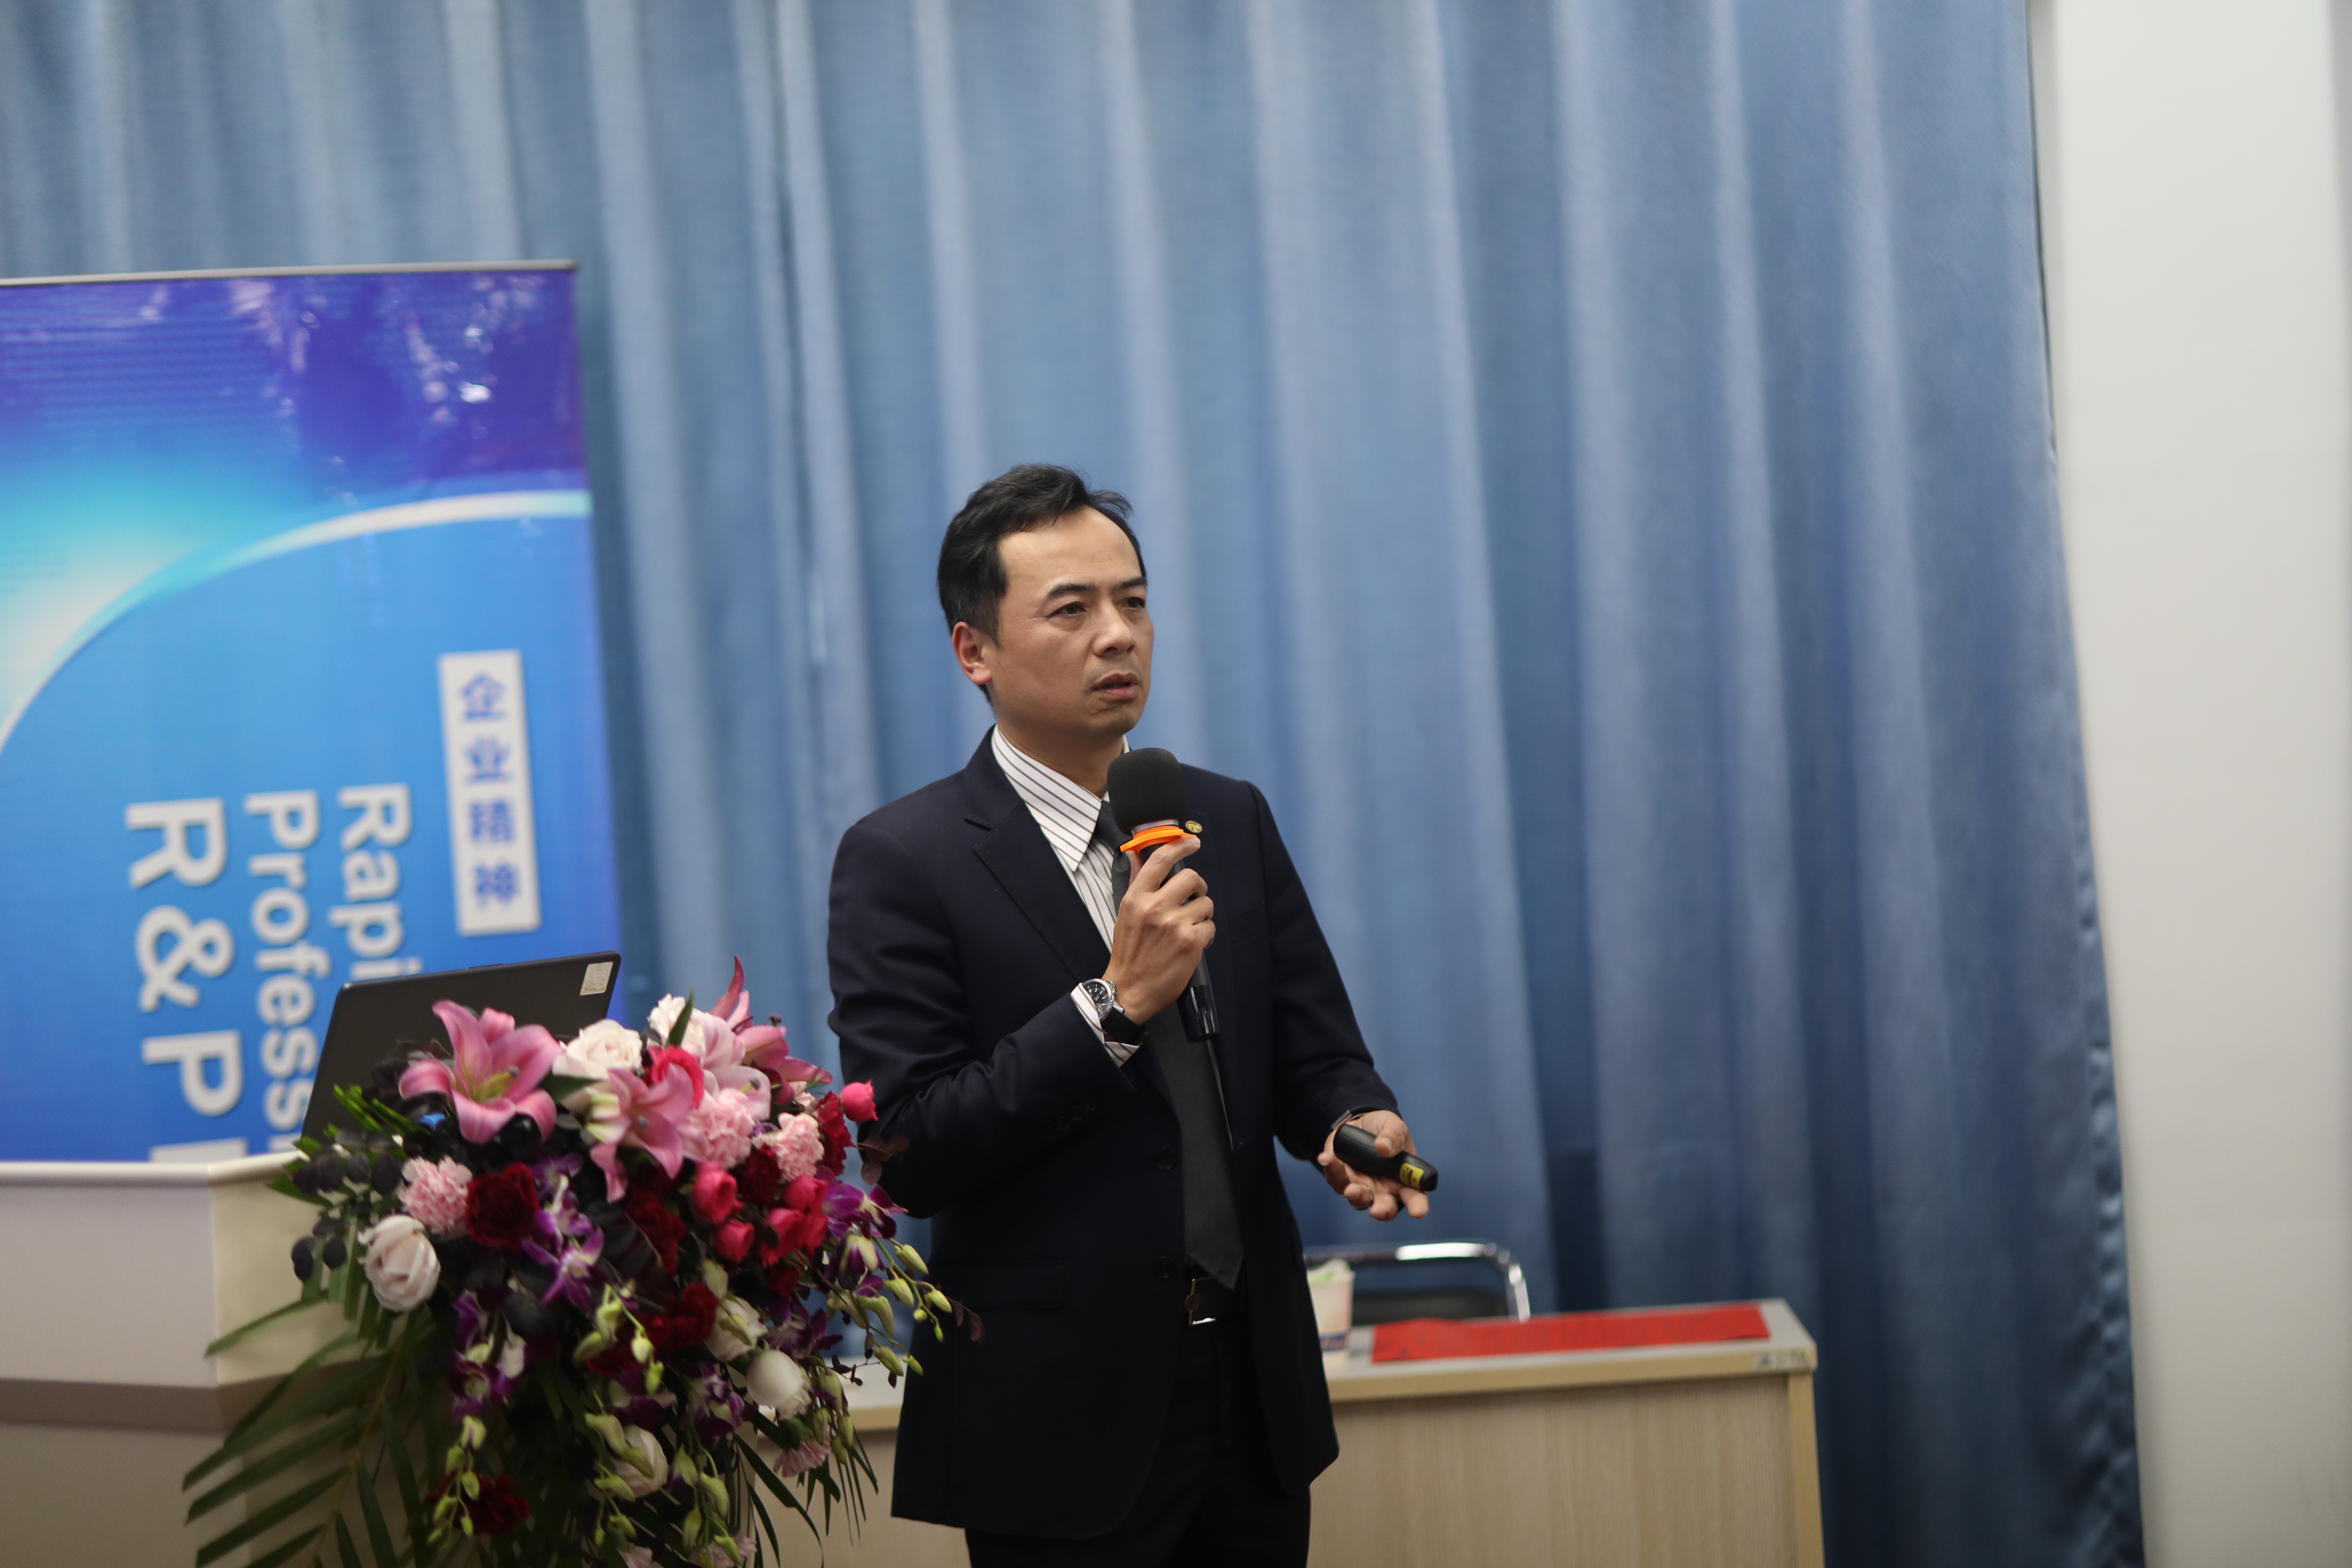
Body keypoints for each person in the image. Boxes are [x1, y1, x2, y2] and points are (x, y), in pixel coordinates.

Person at [828, 463, 1429, 1566]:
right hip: (1057, 1420)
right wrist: (1113, 1007)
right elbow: (909, 1149)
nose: (1118, 634)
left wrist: (1355, 1123)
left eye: (1133, 601)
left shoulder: (1225, 818)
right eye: (1071, 609)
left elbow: (1315, 1056)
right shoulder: (904, 861)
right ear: (974, 651)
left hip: (1250, 1394)